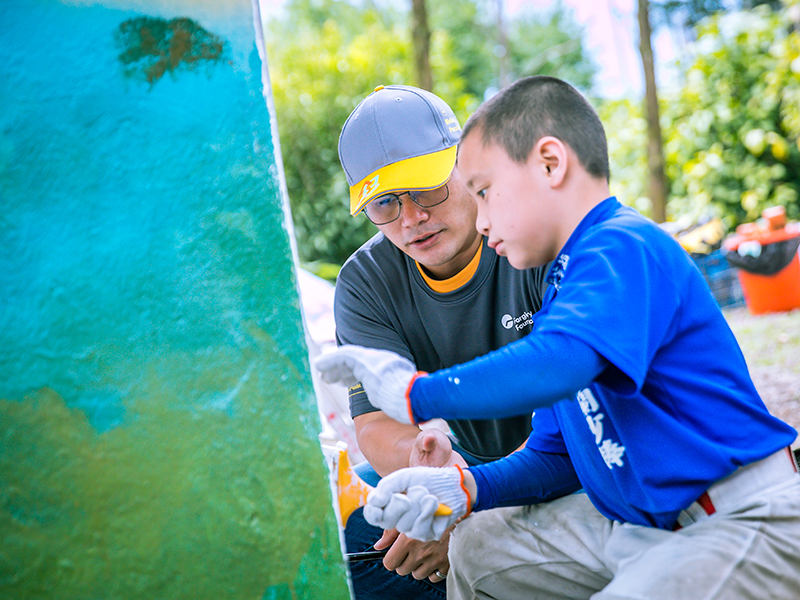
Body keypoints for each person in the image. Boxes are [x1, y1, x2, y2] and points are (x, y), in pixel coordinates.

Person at [316, 75, 800, 600]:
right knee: (470, 549)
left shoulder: (621, 248)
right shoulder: (561, 269)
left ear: (549, 165)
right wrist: (460, 489)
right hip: (635, 522)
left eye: (483, 190)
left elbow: (558, 362)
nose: (482, 217)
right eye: (385, 205)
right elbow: (556, 451)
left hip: (732, 516)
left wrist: (416, 393)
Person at [332, 84, 555, 600]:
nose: (411, 219)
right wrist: (431, 471)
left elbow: (578, 413)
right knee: (350, 542)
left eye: (426, 188)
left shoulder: (533, 237)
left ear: (465, 164)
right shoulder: (365, 281)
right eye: (385, 203)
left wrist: (467, 501)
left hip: (567, 455)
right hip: (468, 462)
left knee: (475, 541)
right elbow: (376, 422)